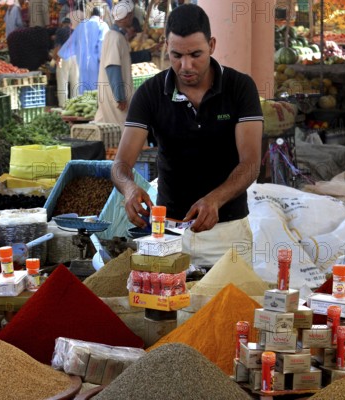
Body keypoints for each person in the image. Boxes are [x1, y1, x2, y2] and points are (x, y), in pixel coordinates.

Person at [112, 4, 263, 266]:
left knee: (229, 306)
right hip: (167, 235)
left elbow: (250, 164)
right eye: (177, 55)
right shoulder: (149, 93)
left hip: (228, 234)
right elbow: (120, 165)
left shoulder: (240, 87)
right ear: (165, 46)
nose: (186, 65)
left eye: (196, 54)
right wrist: (128, 189)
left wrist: (215, 200)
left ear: (212, 45)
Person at [94, 0, 134, 127]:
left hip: (113, 95)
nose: (133, 17)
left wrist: (149, 52)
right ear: (125, 17)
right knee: (119, 130)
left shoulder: (118, 36)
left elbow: (124, 59)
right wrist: (120, 97)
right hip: (115, 98)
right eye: (131, 14)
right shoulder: (114, 37)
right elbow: (113, 67)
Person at [58, 6, 108, 94]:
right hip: (96, 64)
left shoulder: (82, 25)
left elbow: (71, 42)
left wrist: (61, 55)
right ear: (101, 16)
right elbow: (102, 44)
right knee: (97, 92)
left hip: (82, 63)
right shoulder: (102, 24)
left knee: (84, 91)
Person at [54, 17, 79, 107]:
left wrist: (55, 58)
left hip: (63, 58)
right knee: (75, 81)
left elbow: (58, 47)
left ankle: (63, 105)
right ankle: (75, 103)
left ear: (62, 24)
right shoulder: (75, 32)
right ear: (71, 25)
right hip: (75, 58)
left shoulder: (60, 31)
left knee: (62, 81)